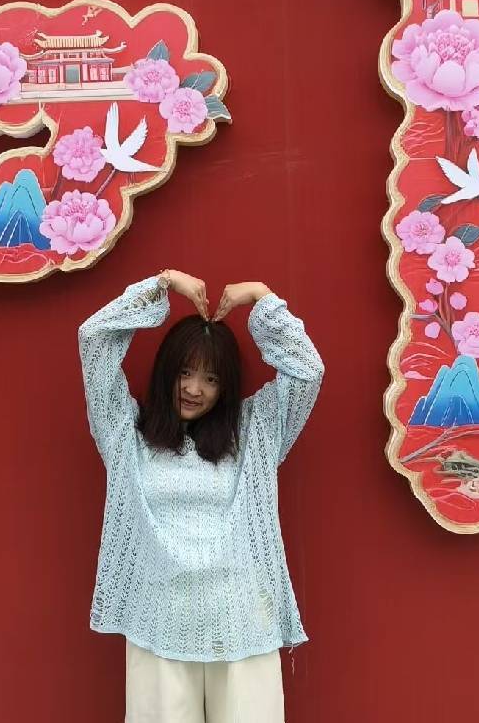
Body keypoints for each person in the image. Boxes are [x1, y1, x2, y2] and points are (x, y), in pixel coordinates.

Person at [78, 269, 325, 723]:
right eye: (185, 373)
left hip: (243, 619)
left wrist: (262, 298)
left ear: (225, 387)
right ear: (166, 373)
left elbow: (307, 372)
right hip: (158, 621)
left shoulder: (255, 431)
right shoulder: (124, 433)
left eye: (210, 379)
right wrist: (160, 285)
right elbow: (94, 340)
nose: (194, 389)